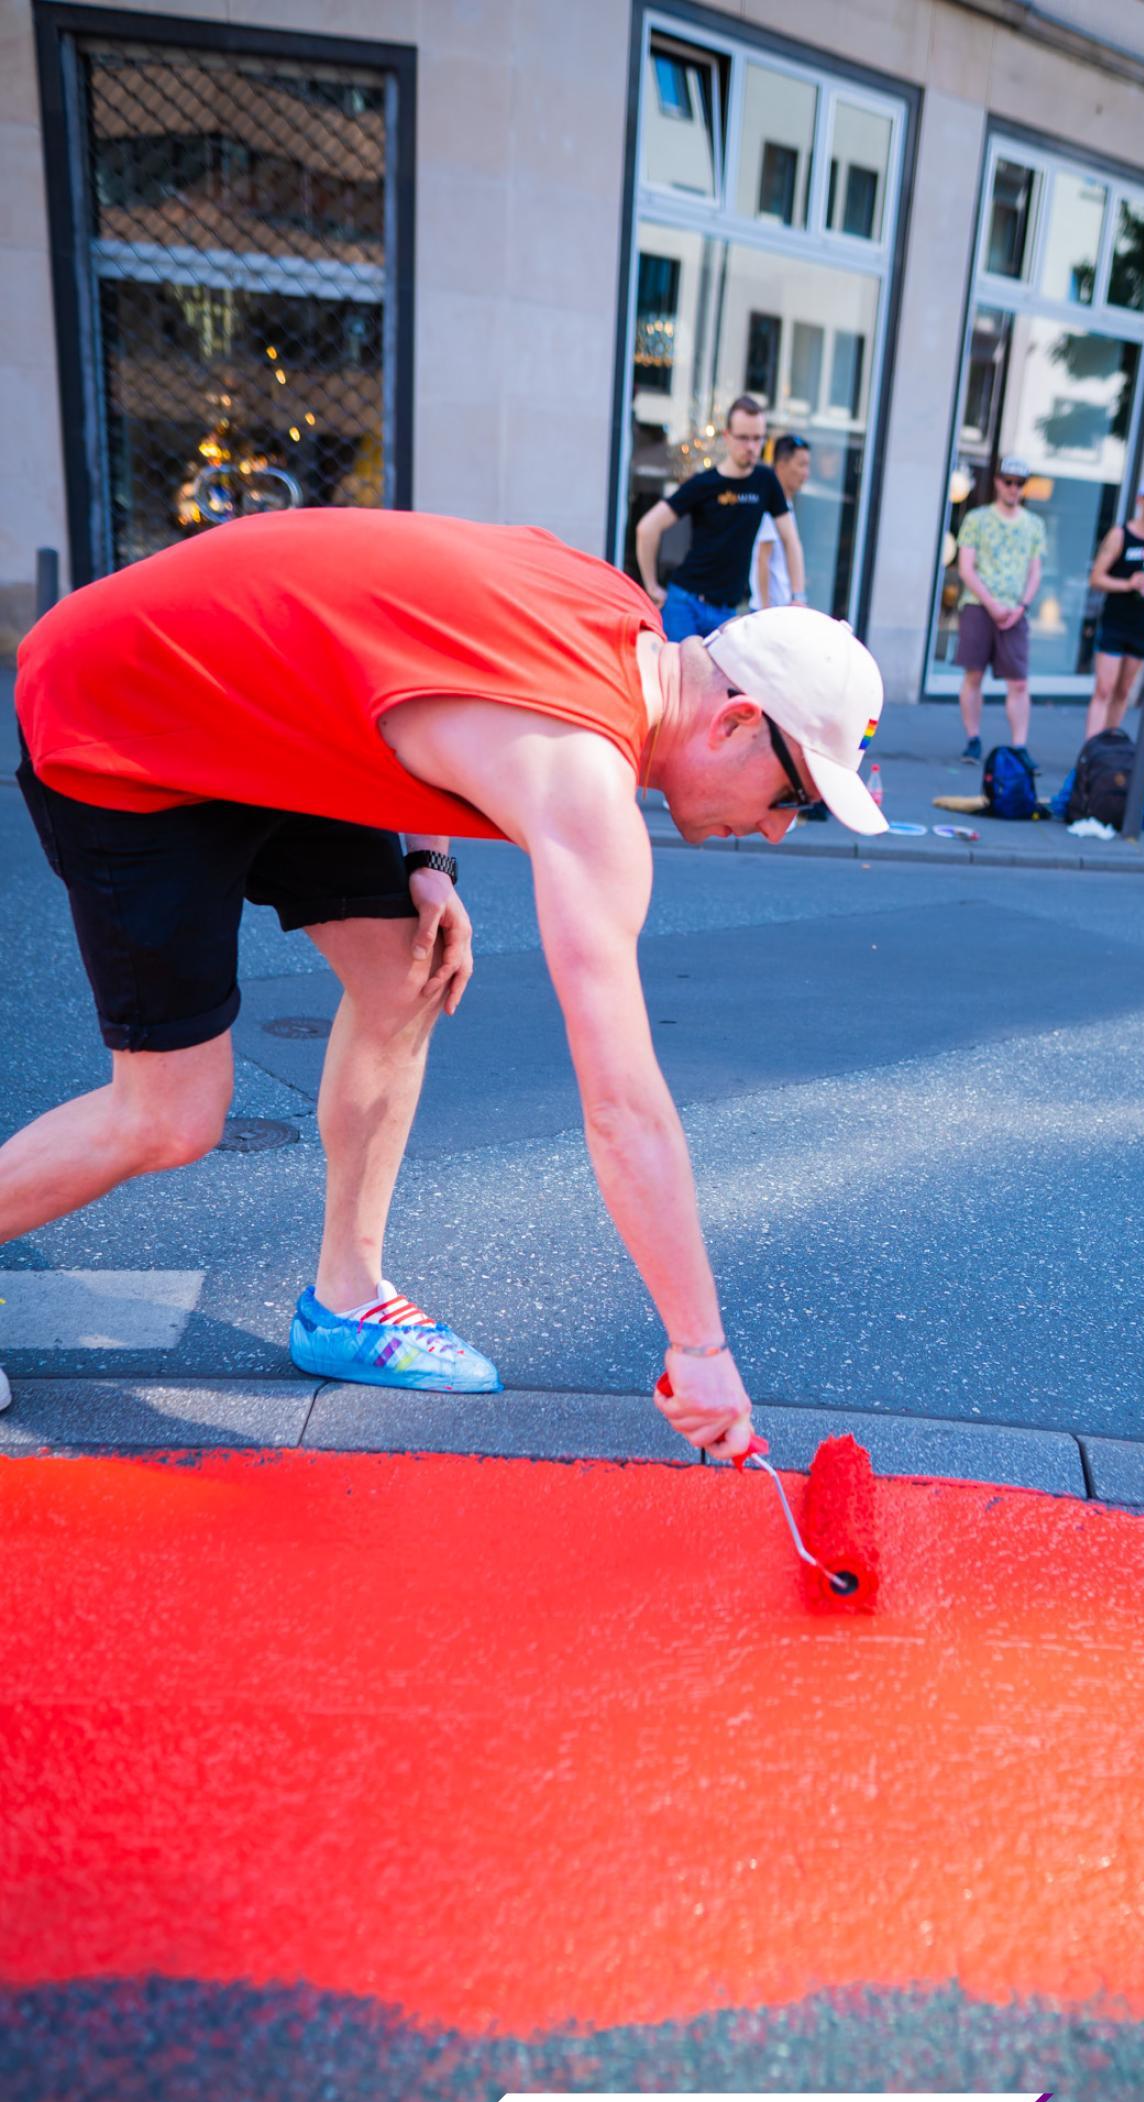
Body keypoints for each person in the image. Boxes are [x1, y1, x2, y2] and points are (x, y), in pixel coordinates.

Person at [2, 509, 885, 1453]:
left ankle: (346, 1301)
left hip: (263, 702)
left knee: (405, 973)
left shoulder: (618, 621)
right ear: (737, 720)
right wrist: (699, 1347)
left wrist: (428, 858)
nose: (781, 828)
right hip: (125, 703)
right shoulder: (585, 782)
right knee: (170, 1116)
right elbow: (624, 1110)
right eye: (795, 796)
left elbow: (407, 630)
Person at [635, 396, 807, 643]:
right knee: (680, 667)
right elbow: (647, 527)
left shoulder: (765, 481)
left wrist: (798, 596)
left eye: (758, 438)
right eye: (744, 438)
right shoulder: (705, 483)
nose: (751, 446)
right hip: (685, 604)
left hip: (726, 614)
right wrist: (651, 586)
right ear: (727, 437)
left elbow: (791, 540)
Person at [953, 455, 1045, 764]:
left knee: (1019, 682)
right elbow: (966, 568)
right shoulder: (976, 519)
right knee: (974, 676)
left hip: (1015, 611)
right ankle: (972, 739)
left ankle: (1019, 747)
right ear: (997, 482)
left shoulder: (1034, 524)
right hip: (979, 606)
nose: (1013, 488)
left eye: (1020, 483)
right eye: (1008, 482)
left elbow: (1035, 571)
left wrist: (1022, 606)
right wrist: (991, 604)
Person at [1084, 474, 1144, 739]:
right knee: (1104, 688)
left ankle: (1109, 743)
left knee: (1124, 691)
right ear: (1140, 500)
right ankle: (1091, 749)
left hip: (1143, 621)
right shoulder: (1119, 535)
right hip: (1116, 619)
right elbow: (1096, 578)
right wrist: (1128, 584)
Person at [751, 434, 811, 610]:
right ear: (781, 465)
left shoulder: (787, 504)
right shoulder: (771, 506)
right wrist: (764, 609)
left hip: (781, 608)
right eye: (801, 465)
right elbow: (762, 558)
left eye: (807, 466)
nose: (806, 473)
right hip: (770, 611)